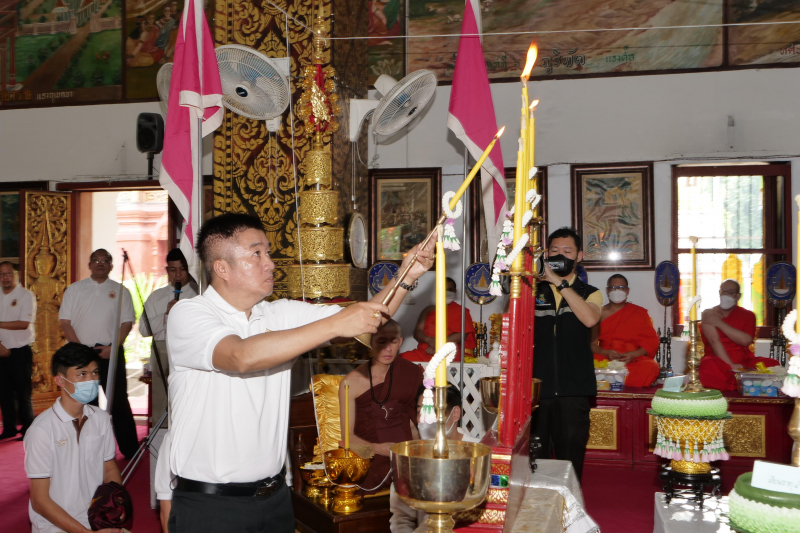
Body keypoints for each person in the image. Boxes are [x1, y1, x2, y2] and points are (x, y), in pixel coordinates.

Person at [166, 213, 433, 533]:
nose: (270, 263)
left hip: (275, 498)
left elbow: (364, 319)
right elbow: (240, 356)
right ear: (222, 268)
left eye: (268, 252)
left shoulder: (277, 313)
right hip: (212, 506)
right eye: (256, 254)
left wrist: (405, 275)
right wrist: (336, 324)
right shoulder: (189, 314)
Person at [24, 343, 123, 533]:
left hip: (95, 520)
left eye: (95, 373)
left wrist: (111, 512)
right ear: (60, 381)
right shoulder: (41, 430)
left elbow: (109, 468)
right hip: (55, 526)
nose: (92, 379)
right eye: (82, 374)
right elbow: (39, 501)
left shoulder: (100, 418)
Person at [532, 227, 602, 480]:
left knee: (570, 459)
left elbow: (589, 319)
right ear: (546, 254)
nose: (559, 255)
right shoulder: (532, 290)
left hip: (574, 388)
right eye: (554, 251)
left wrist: (560, 284)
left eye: (567, 251)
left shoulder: (590, 292)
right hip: (538, 389)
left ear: (579, 256)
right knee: (534, 460)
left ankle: (569, 512)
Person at [59, 249, 138, 460]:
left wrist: (114, 347)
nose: (100, 264)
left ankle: (130, 450)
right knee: (86, 402)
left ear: (111, 265)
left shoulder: (121, 290)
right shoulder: (75, 290)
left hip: (111, 352)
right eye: (96, 260)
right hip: (82, 356)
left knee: (119, 401)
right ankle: (88, 449)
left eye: (105, 261)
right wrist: (81, 352)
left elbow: (127, 322)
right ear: (89, 264)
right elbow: (65, 323)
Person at [339, 320, 422, 491]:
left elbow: (414, 426)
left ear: (400, 342)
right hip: (369, 458)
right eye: (381, 341)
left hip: (405, 458)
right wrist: (379, 449)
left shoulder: (411, 373)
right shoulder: (351, 383)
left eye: (393, 341)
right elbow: (347, 439)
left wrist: (419, 458)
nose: (388, 349)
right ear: (370, 343)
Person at [390, 385, 477, 533]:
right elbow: (402, 518)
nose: (425, 419)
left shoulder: (478, 453)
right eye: (420, 411)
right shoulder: (412, 458)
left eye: (434, 411)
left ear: (455, 413)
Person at [699, 279, 779, 391]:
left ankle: (741, 382)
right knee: (708, 367)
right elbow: (714, 341)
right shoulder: (709, 314)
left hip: (743, 361)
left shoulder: (748, 315)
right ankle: (744, 384)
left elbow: (745, 340)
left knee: (772, 364)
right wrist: (730, 365)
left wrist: (719, 323)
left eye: (730, 292)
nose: (726, 295)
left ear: (738, 296)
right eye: (723, 292)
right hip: (718, 360)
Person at [590, 274, 660, 387]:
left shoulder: (639, 313)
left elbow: (651, 343)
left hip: (632, 360)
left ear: (627, 291)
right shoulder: (599, 313)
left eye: (621, 288)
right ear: (607, 290)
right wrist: (605, 353)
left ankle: (610, 381)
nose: (617, 291)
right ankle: (614, 380)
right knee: (588, 365)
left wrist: (633, 354)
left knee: (650, 367)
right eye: (613, 287)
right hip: (606, 360)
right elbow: (592, 345)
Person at [0, 261, 37, 439]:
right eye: (1, 274)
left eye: (8, 273)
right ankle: (9, 428)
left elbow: (24, 324)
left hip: (20, 350)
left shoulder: (25, 295)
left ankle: (28, 429)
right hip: (0, 350)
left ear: (17, 275)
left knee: (23, 393)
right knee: (3, 392)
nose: (5, 277)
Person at [401, 277, 476, 362]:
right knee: (401, 360)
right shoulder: (428, 310)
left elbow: (462, 334)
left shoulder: (461, 311)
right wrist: (428, 340)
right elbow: (418, 331)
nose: (446, 292)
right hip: (425, 351)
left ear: (455, 291)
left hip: (448, 352)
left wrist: (438, 345)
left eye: (450, 290)